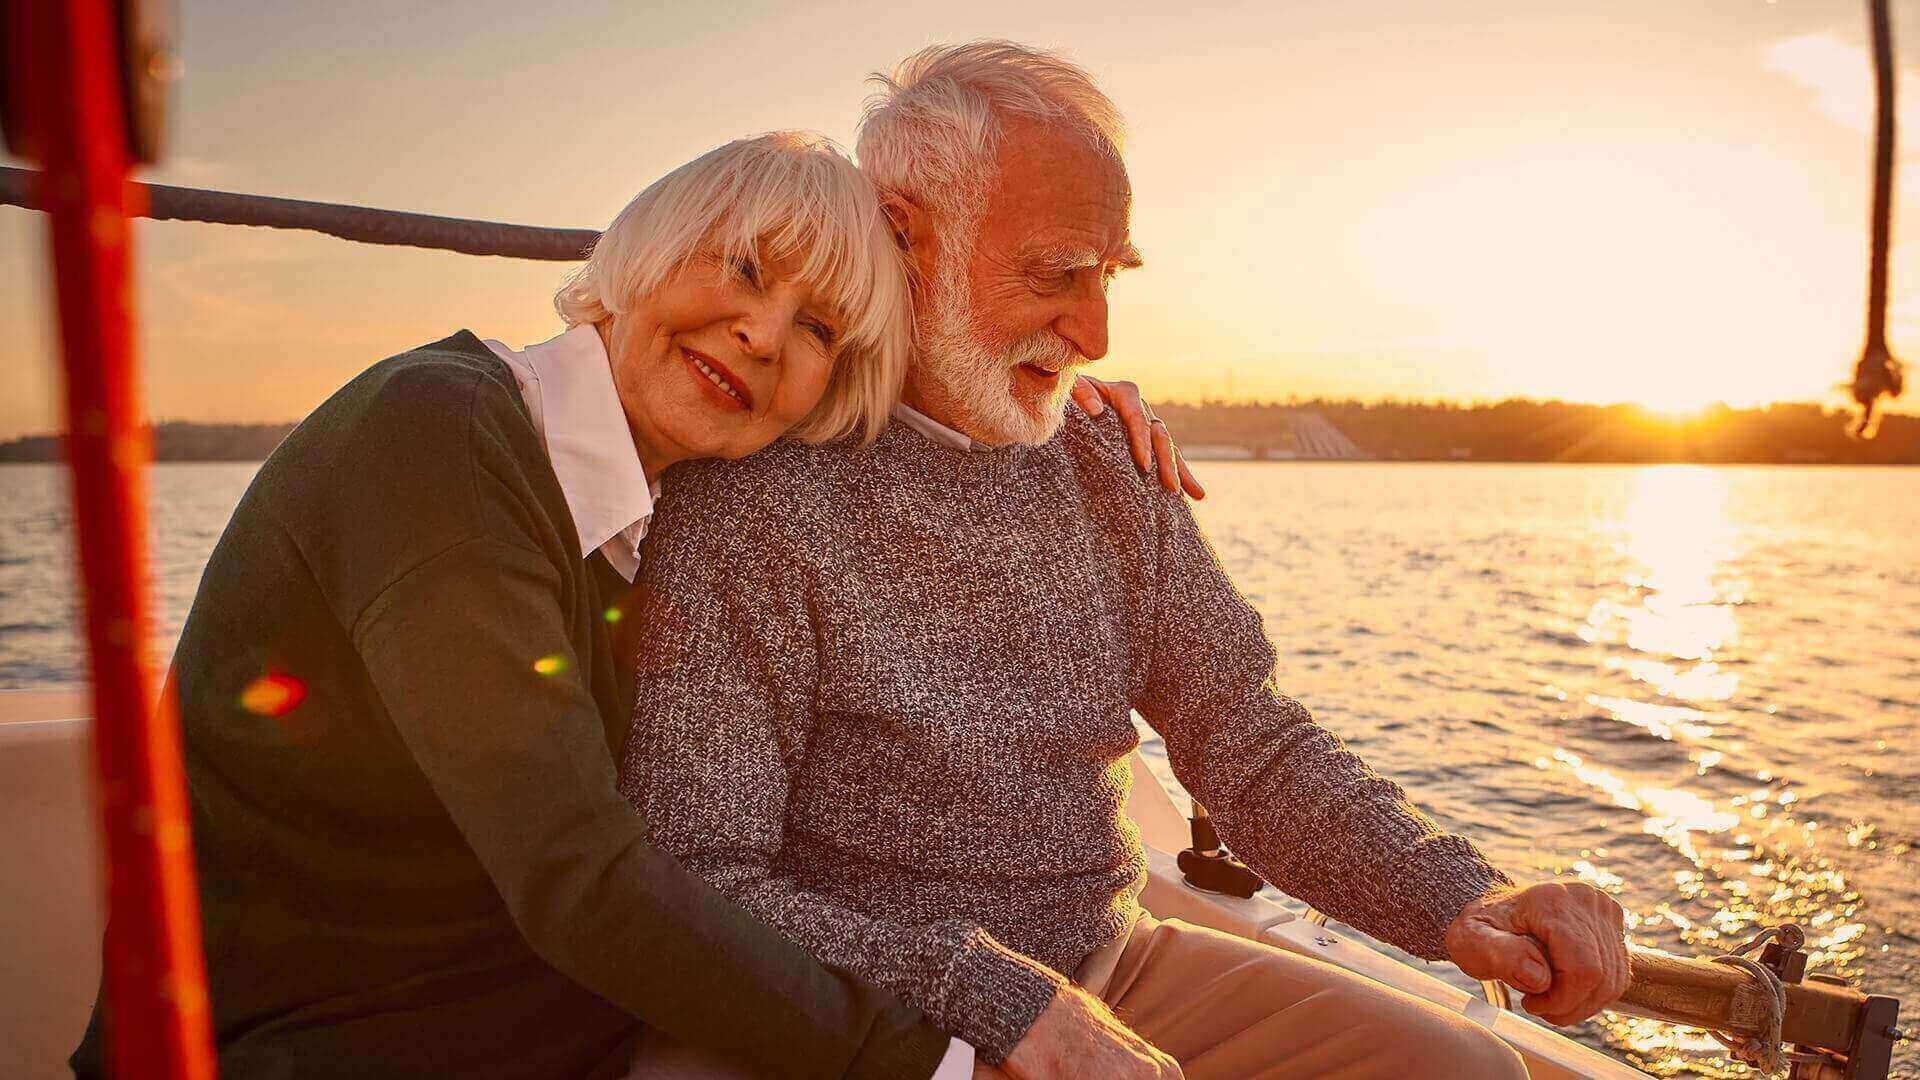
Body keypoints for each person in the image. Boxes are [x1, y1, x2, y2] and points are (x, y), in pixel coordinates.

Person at [70, 131, 1186, 1080]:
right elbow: (580, 878)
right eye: (745, 269)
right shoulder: (434, 441)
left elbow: (914, 415)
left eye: (818, 331)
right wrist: (940, 1066)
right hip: (288, 1049)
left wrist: (1049, 388)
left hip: (550, 1039)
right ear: (645, 250)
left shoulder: (663, 506)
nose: (762, 333)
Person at [618, 44, 1634, 1080]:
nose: (1096, 333)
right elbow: (700, 878)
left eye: (1108, 277)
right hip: (859, 1014)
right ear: (902, 238)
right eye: (1057, 274)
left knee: (1469, 1073)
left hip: (1114, 966)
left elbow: (1248, 737)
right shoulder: (750, 495)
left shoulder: (1106, 461)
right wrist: (1005, 1007)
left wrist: (1463, 900)